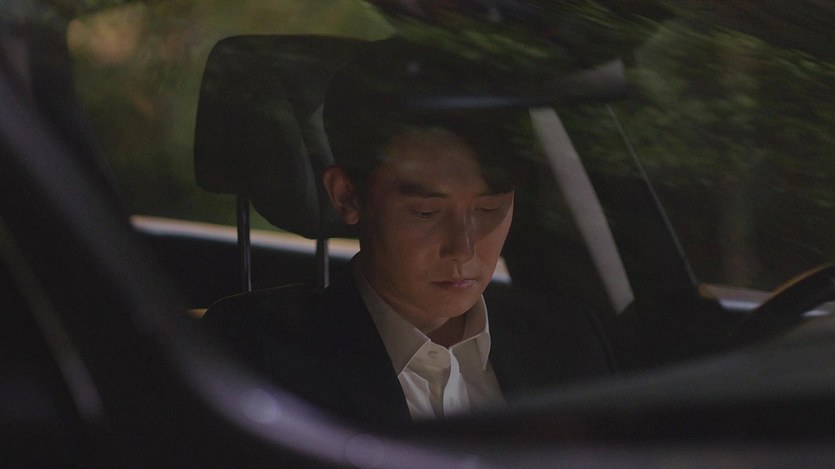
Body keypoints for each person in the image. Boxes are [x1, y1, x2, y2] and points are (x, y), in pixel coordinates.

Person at [204, 39, 613, 427]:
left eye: (490, 209)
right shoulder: (263, 355)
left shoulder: (566, 341)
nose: (463, 248)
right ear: (346, 196)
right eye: (426, 212)